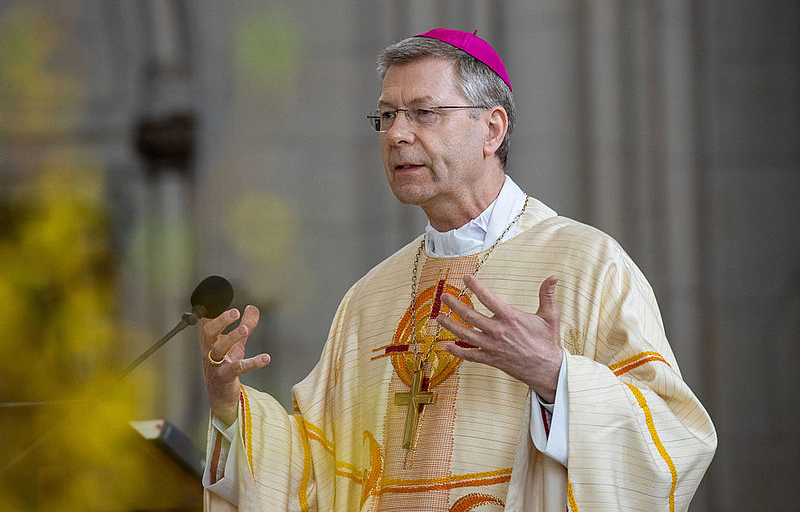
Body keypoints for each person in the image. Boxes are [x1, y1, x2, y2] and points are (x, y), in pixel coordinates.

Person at [200, 28, 716, 511]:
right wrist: (230, 408)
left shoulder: (586, 264)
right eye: (387, 115)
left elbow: (674, 439)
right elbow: (318, 470)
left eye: (424, 113)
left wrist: (557, 378)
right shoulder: (369, 299)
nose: (397, 134)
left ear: (491, 128)